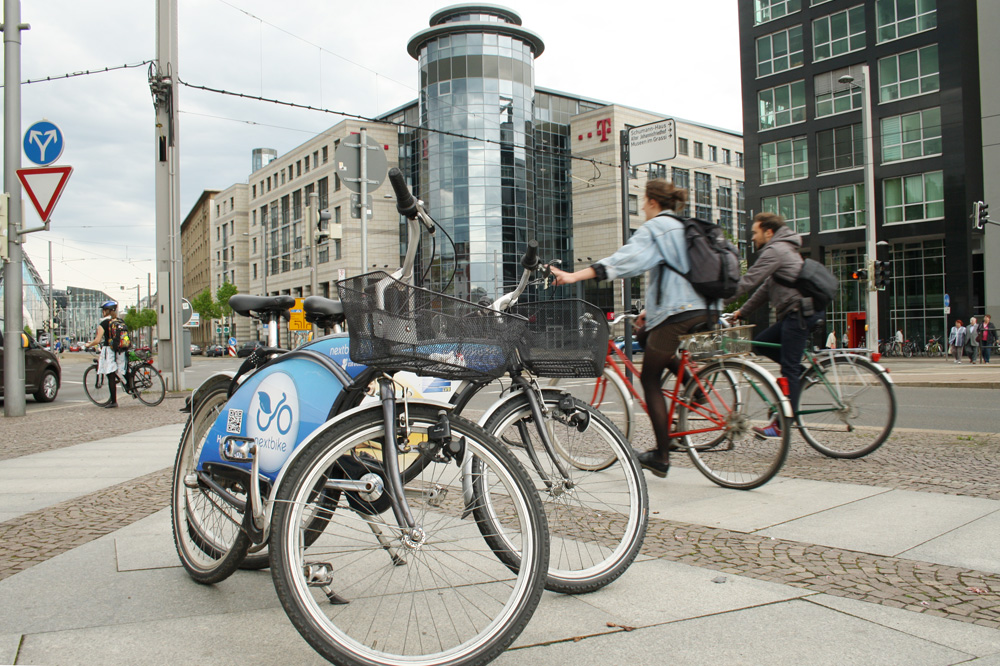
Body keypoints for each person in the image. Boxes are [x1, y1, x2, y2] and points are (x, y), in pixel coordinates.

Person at [550, 179, 712, 478]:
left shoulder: (658, 227)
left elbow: (625, 261)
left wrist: (574, 277)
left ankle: (661, 457)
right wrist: (650, 313)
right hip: (703, 306)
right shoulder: (686, 227)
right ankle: (695, 389)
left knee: (649, 379)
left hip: (679, 313)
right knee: (644, 334)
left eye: (644, 202)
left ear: (651, 201)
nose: (644, 208)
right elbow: (680, 275)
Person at [728, 212, 825, 438]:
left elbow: (749, 280)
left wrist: (715, 301)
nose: (753, 237)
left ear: (768, 232)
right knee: (760, 344)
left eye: (755, 232)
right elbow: (764, 288)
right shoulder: (784, 249)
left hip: (797, 314)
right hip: (797, 313)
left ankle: (781, 424)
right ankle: (805, 375)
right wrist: (742, 312)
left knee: (789, 368)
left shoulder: (775, 250)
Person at [84, 301, 127, 408]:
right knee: (124, 369)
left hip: (109, 350)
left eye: (103, 310)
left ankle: (113, 401)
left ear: (107, 311)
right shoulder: (120, 321)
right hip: (121, 349)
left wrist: (88, 345)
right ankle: (132, 388)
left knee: (110, 374)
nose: (102, 312)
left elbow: (98, 340)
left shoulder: (103, 323)